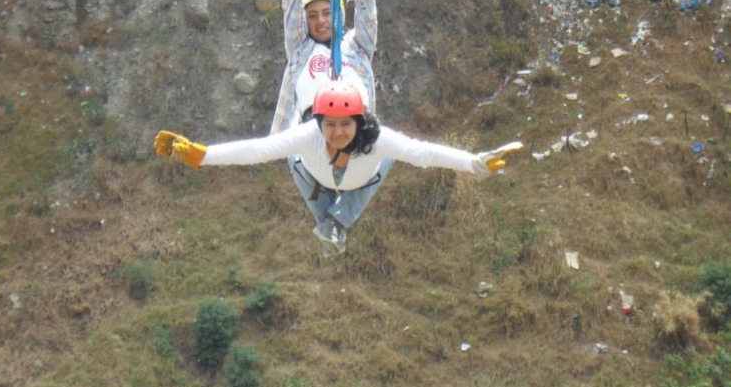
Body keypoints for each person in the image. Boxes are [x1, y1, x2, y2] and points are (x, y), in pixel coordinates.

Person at [154, 81, 523, 257]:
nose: (338, 132)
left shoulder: (377, 139)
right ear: (319, 123)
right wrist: (203, 156)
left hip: (362, 182)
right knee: (289, 156)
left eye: (346, 124)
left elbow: (422, 153)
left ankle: (337, 224)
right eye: (329, 124)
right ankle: (327, 223)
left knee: (392, 157)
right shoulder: (307, 135)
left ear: (359, 121)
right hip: (316, 180)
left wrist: (474, 164)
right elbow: (259, 149)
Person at [270, 0, 377, 134]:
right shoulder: (300, 49)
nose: (320, 21)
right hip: (313, 129)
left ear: (340, 14)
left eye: (327, 13)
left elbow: (366, 10)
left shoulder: (358, 47)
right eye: (312, 16)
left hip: (357, 129)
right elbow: (293, 1)